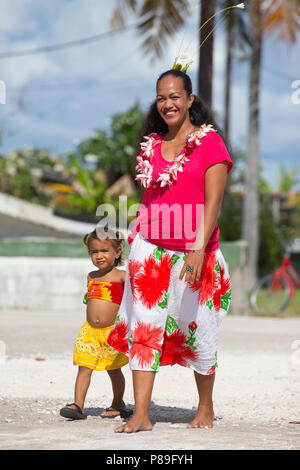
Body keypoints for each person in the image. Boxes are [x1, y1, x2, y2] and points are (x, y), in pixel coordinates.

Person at [107, 68, 233, 433]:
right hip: (150, 251)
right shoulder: (152, 145)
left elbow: (213, 202)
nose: (168, 103)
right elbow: (151, 199)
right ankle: (142, 414)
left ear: (190, 100)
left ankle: (205, 407)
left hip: (196, 254)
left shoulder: (210, 143)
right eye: (161, 97)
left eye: (175, 96)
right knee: (144, 331)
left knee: (199, 331)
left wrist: (197, 248)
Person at [60, 227, 133, 420]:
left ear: (117, 252)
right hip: (89, 331)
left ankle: (118, 403)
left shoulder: (122, 276)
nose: (99, 256)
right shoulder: (91, 276)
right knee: (84, 367)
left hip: (112, 332)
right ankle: (78, 405)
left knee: (114, 370)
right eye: (94, 252)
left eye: (104, 251)